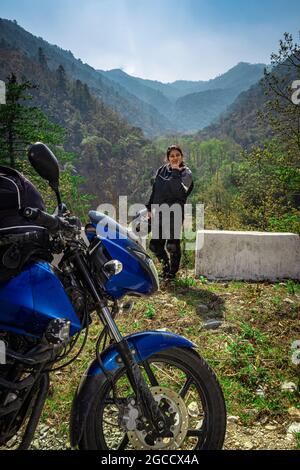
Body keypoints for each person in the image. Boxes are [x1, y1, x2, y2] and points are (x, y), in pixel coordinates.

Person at [146, 145, 193, 280]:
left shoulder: (186, 173)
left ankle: (172, 273)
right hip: (159, 211)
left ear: (182, 157)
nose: (175, 158)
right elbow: (156, 190)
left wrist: (176, 172)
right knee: (155, 245)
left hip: (175, 212)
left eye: (177, 155)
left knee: (172, 245)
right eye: (172, 156)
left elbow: (178, 192)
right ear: (167, 158)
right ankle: (165, 267)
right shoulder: (162, 170)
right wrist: (149, 208)